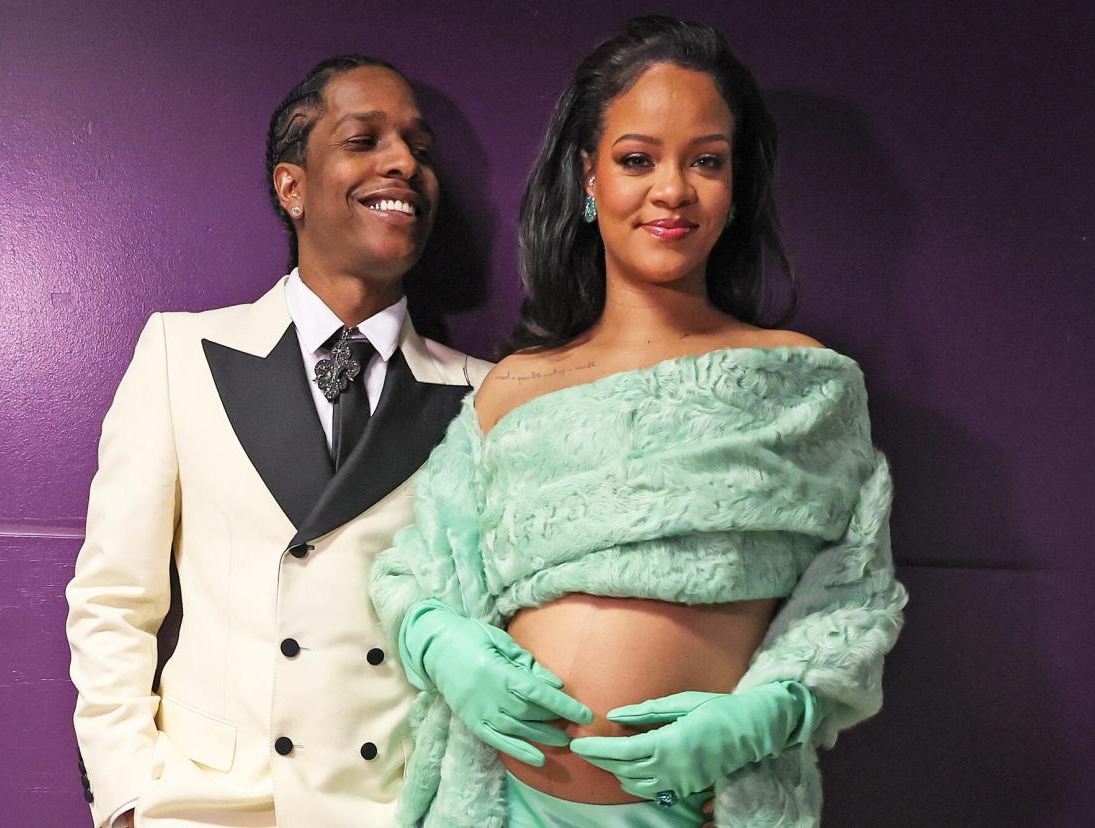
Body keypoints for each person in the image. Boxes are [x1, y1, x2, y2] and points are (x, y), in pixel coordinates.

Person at [371, 17, 907, 828]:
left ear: (734, 186)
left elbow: (854, 600)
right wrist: (443, 647)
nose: (672, 190)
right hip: (505, 805)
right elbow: (415, 573)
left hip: (691, 811)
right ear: (588, 176)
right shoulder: (514, 388)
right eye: (636, 159)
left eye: (706, 161)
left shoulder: (801, 384)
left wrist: (773, 711)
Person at [66, 55, 491, 828]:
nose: (403, 162)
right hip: (208, 806)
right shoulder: (180, 354)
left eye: (419, 149)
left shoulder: (484, 393)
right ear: (290, 185)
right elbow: (113, 601)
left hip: (399, 810)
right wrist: (127, 793)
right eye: (363, 140)